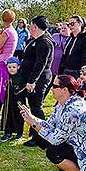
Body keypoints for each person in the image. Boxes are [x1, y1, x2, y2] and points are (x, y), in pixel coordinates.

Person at [20, 75, 86, 171]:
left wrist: (34, 124)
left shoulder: (73, 110)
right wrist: (32, 118)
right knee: (39, 138)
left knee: (53, 152)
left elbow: (56, 139)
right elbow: (50, 125)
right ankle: (68, 166)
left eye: (54, 86)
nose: (51, 88)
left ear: (64, 90)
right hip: (78, 142)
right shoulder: (63, 103)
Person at [19, 15, 54, 148]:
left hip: (39, 79)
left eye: (30, 26)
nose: (29, 28)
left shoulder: (44, 42)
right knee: (33, 106)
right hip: (31, 77)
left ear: (34, 26)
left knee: (36, 107)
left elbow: (41, 64)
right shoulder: (36, 40)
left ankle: (40, 136)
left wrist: (32, 81)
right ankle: (34, 133)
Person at [0, 57, 26, 142]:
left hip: (19, 102)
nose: (11, 69)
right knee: (8, 116)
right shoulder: (6, 77)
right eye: (9, 67)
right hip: (8, 102)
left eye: (14, 67)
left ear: (18, 67)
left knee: (19, 117)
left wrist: (17, 91)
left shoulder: (21, 78)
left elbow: (23, 89)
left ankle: (19, 133)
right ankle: (7, 132)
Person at [47, 23, 70, 95]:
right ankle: (43, 96)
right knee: (49, 81)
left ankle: (60, 98)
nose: (62, 30)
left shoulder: (71, 38)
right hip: (53, 62)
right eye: (62, 28)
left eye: (65, 28)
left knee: (62, 82)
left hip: (63, 63)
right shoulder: (55, 36)